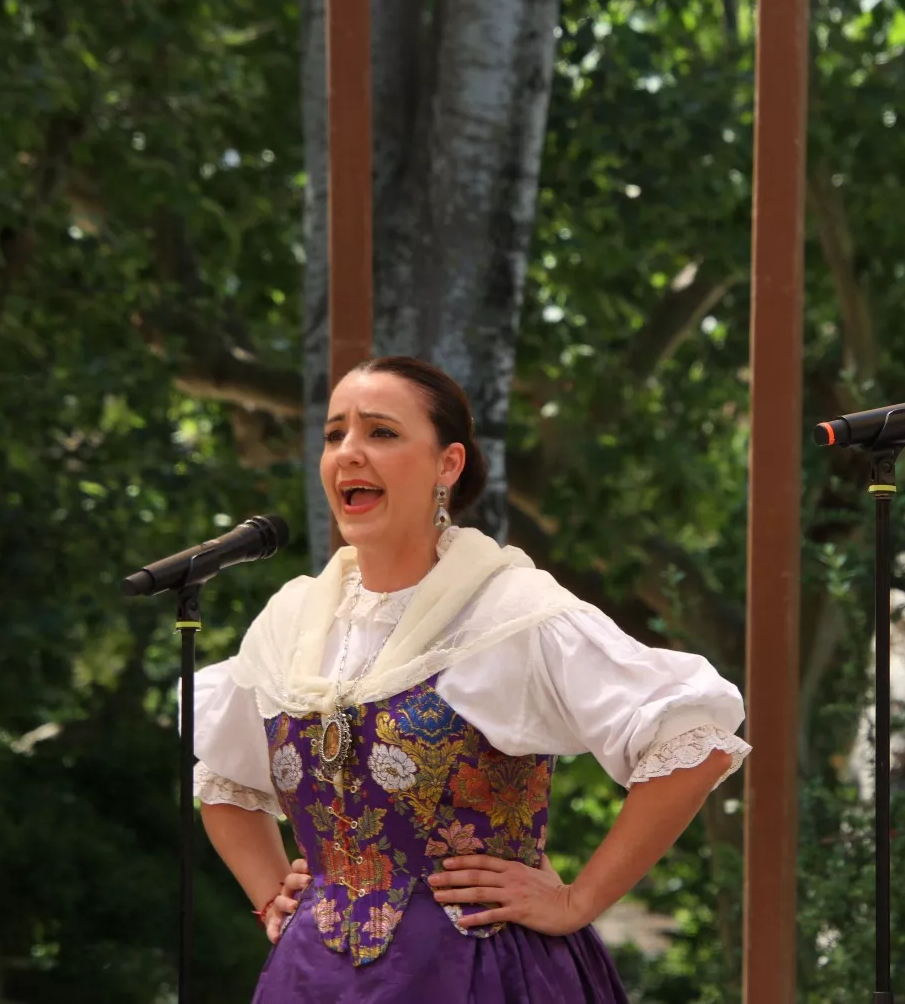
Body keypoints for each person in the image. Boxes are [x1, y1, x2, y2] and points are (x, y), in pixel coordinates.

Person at [191, 355, 750, 1002]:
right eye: (334, 434)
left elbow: (694, 736)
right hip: (313, 979)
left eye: (381, 432)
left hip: (479, 973)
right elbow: (227, 782)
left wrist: (577, 900)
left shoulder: (507, 609)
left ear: (447, 465)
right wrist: (271, 898)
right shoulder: (291, 620)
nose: (349, 452)